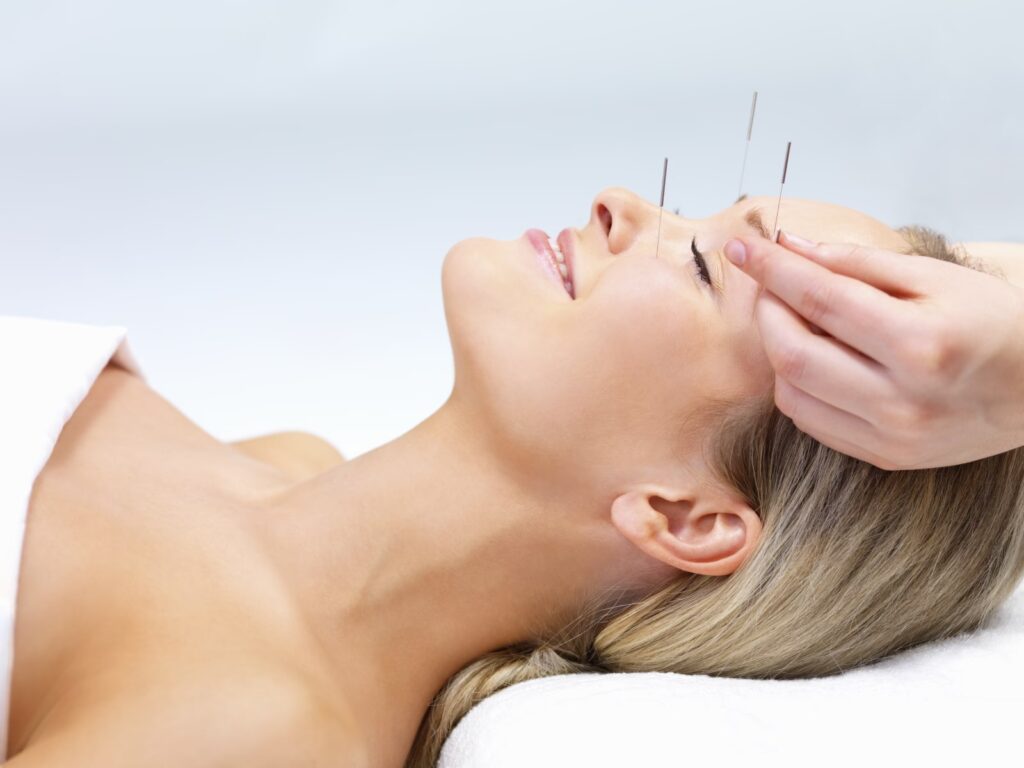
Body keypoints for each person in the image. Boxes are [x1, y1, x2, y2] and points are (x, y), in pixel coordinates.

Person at [5, 188, 1024, 768]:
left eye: (703, 267)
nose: (620, 203)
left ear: (686, 517)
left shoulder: (249, 728)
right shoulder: (281, 462)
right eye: (695, 210)